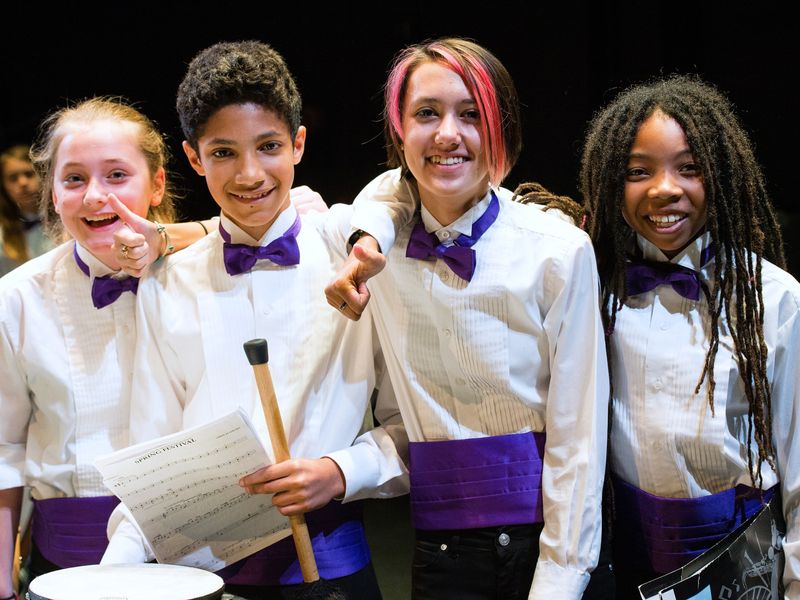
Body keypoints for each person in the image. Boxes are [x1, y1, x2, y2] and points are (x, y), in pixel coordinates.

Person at [102, 41, 408, 600]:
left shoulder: (354, 257)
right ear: (194, 159)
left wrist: (341, 472)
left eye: (268, 146)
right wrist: (112, 574)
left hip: (332, 566)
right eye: (223, 153)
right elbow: (153, 453)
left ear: (298, 144)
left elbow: (411, 427)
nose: (249, 174)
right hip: (202, 575)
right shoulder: (166, 280)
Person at [325, 38, 609, 599]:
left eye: (471, 114)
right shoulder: (373, 245)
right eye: (426, 113)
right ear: (398, 130)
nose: (447, 133)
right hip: (440, 550)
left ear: (501, 129)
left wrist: (561, 577)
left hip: (549, 545)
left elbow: (580, 435)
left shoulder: (557, 250)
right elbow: (292, 210)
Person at [579, 75, 800, 598]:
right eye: (638, 170)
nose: (664, 188)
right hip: (620, 556)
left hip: (736, 559)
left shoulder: (772, 298)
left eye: (690, 168)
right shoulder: (590, 290)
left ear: (720, 174)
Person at [0, 97, 191, 600]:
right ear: (53, 194)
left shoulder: (202, 280)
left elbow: (304, 206)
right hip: (64, 557)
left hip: (189, 551)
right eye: (75, 179)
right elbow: (5, 446)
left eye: (116, 175)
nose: (94, 197)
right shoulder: (18, 298)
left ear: (157, 185)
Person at [0, 145, 52, 276]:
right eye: (13, 178)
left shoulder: (68, 219)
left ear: (42, 175)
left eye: (29, 174)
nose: (23, 182)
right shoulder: (2, 237)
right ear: (4, 187)